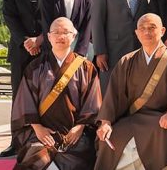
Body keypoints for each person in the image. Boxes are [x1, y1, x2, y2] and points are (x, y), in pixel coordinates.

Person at [95, 13, 167, 170]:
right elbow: (113, 95)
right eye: (142, 28)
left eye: (152, 27)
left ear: (162, 31)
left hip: (162, 117)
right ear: (136, 33)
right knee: (112, 135)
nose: (147, 32)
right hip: (132, 118)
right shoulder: (127, 60)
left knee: (164, 132)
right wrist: (105, 122)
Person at [11, 17, 101, 169]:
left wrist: (80, 127)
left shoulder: (86, 68)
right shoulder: (34, 67)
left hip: (75, 134)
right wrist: (38, 128)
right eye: (56, 32)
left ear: (73, 36)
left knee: (80, 159)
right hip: (41, 134)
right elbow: (25, 102)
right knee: (36, 157)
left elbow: (93, 102)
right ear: (48, 37)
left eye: (65, 32)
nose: (60, 36)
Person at [1, 0, 59, 158]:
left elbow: (56, 14)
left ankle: (45, 139)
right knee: (19, 96)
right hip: (20, 50)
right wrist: (27, 41)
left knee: (46, 94)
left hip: (47, 49)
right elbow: (10, 17)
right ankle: (16, 142)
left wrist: (41, 39)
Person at [91, 0, 153, 92]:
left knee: (139, 92)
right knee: (112, 94)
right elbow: (97, 20)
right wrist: (100, 51)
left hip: (142, 49)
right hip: (113, 51)